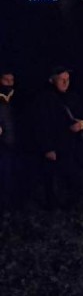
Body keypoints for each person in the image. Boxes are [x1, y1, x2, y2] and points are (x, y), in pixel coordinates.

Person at [34, 66, 83, 210]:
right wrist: (47, 148)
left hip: (74, 145)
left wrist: (82, 124)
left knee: (76, 176)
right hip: (56, 145)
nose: (65, 82)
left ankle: (74, 204)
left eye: (67, 79)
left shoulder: (73, 96)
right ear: (52, 80)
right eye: (61, 79)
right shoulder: (44, 99)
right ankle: (54, 206)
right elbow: (41, 125)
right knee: (54, 178)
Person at [0, 69, 17, 212]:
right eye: (6, 80)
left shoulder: (15, 98)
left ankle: (11, 205)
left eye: (11, 80)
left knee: (11, 174)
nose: (9, 83)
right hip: (2, 143)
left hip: (13, 142)